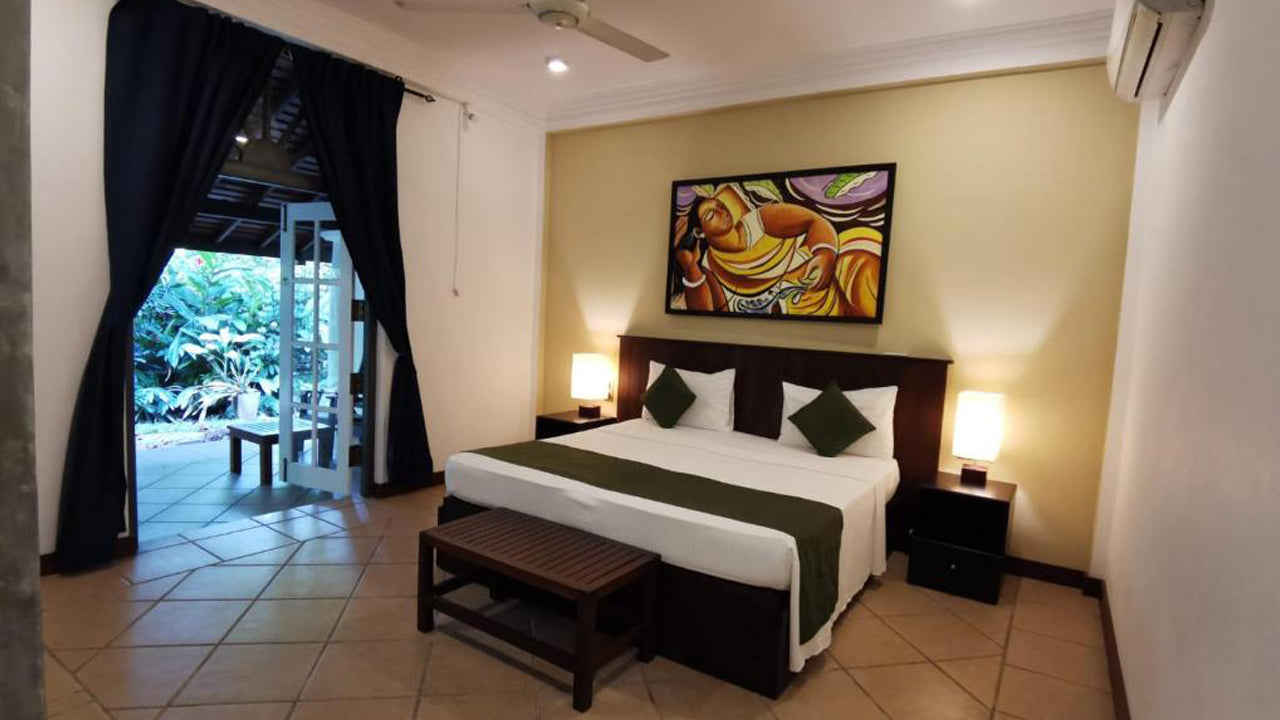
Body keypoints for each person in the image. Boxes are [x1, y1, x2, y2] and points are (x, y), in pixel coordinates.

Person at [672, 184, 882, 317]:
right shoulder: (711, 266)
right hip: (800, 316)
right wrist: (690, 267)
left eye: (719, 205)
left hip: (829, 284)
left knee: (862, 264)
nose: (721, 211)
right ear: (700, 232)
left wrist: (825, 254)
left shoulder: (759, 220)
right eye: (710, 215)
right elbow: (708, 314)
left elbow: (814, 222)